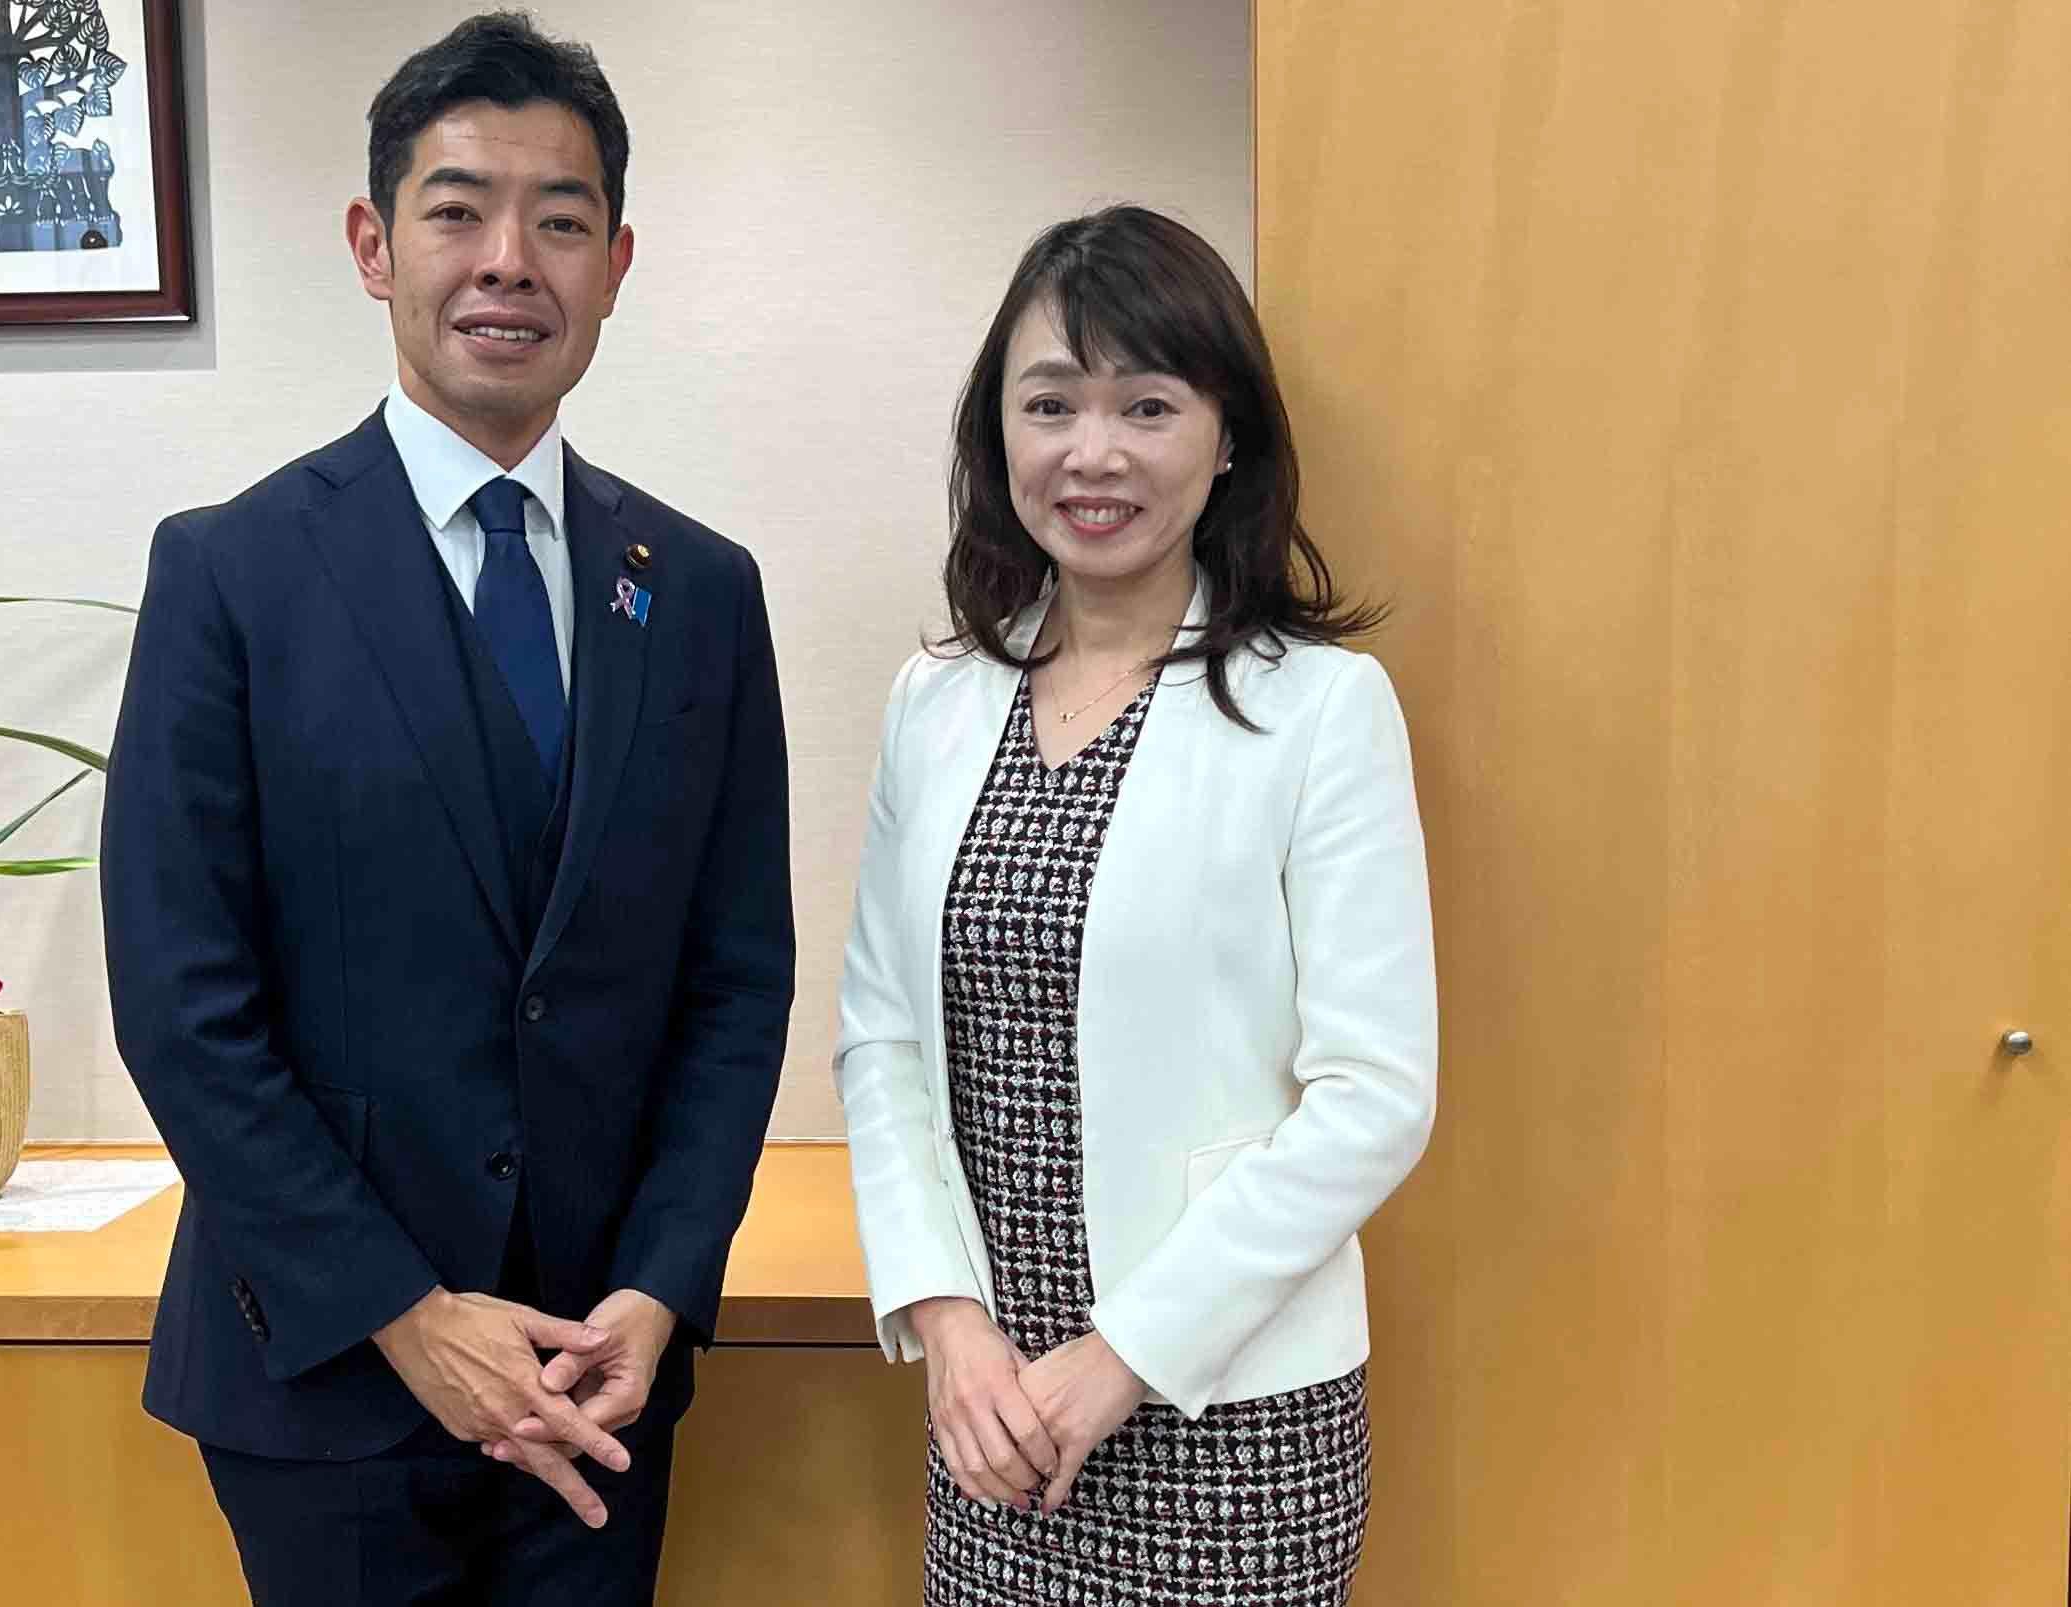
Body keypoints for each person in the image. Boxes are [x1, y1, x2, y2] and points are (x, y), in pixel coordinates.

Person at [98, 13, 794, 1603]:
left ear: (616, 265)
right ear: (374, 245)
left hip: (598, 1373)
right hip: (327, 1373)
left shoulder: (697, 590)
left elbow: (733, 981)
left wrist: (661, 1287)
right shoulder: (232, 572)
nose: (508, 262)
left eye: (561, 222)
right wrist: (405, 1315)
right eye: (458, 210)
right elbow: (183, 1003)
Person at [834, 205, 1436, 1604]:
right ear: (998, 434)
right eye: (1050, 404)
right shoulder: (936, 699)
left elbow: (1375, 1095)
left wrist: (1124, 1358)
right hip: (989, 1415)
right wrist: (949, 1325)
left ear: (1227, 440)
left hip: (1232, 1418)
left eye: (1147, 406)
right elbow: (882, 1037)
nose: (1091, 453)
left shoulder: (1322, 708)